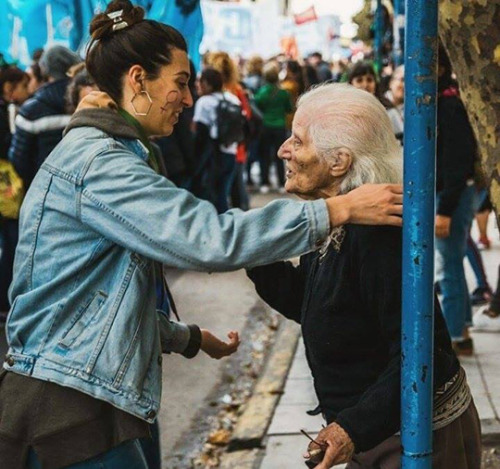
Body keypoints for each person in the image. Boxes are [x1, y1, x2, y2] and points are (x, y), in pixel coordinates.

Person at [0, 2, 403, 468]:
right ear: (137, 80)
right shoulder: (101, 164)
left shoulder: (112, 154)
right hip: (68, 407)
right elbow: (205, 237)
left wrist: (188, 338)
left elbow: (91, 305)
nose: (188, 98)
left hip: (90, 398)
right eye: (180, 82)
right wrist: (337, 209)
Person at [247, 83, 481, 469]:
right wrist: (253, 249)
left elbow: (425, 355)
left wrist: (350, 429)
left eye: (297, 140)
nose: (282, 150)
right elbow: (318, 303)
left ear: (339, 161)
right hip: (381, 434)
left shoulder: (375, 235)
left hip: (414, 442)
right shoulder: (343, 217)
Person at [435, 46, 477, 356]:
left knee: (448, 265)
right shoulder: (444, 101)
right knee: (452, 262)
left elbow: (457, 161)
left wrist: (445, 209)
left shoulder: (448, 105)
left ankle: (454, 334)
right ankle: (460, 329)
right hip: (452, 193)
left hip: (452, 195)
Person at [8, 45, 80, 189]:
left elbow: (19, 160)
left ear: (45, 70)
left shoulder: (31, 110)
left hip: (43, 189)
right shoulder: (87, 99)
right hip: (81, 188)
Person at [0, 65, 30, 322]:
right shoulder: (6, 113)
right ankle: (5, 301)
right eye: (23, 85)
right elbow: (10, 149)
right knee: (10, 244)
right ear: (9, 89)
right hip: (5, 192)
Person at [192, 67, 241, 212]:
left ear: (207, 84)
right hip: (231, 151)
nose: (198, 85)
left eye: (200, 82)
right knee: (223, 193)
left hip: (212, 155)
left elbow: (198, 131)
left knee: (210, 195)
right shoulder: (233, 99)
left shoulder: (204, 102)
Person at [254, 63, 293, 193]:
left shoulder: (262, 93)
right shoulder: (283, 93)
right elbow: (289, 108)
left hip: (265, 126)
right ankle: (282, 183)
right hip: (280, 127)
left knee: (264, 155)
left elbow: (257, 106)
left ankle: (264, 182)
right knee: (280, 156)